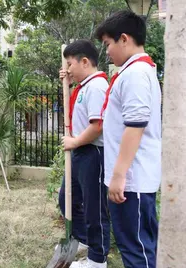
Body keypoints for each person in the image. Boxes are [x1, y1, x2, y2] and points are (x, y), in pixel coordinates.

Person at [95, 10, 161, 268]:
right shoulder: (135, 71)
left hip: (131, 182)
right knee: (135, 245)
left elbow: (135, 126)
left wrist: (119, 176)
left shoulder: (135, 74)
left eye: (108, 44)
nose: (107, 52)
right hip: (130, 181)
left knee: (137, 250)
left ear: (124, 39)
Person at [59, 39, 110, 268]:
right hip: (79, 151)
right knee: (67, 198)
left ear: (85, 62)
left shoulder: (97, 87)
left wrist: (74, 142)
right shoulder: (84, 86)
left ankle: (98, 260)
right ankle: (83, 240)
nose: (67, 68)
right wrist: (69, 83)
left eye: (70, 64)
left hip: (92, 153)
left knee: (94, 209)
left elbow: (97, 126)